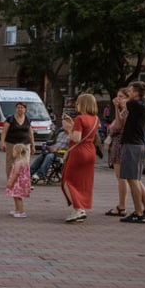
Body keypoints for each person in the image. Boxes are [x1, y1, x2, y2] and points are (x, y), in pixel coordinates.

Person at [119, 81, 145, 223]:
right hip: (139, 144)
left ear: (135, 92)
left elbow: (123, 102)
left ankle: (138, 213)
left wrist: (121, 99)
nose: (128, 92)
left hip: (132, 145)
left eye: (130, 90)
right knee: (137, 180)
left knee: (132, 180)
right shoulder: (143, 105)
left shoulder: (135, 104)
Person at [60, 93, 99, 223]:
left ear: (83, 104)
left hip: (78, 153)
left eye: (77, 102)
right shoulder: (95, 119)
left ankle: (78, 209)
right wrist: (72, 125)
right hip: (90, 151)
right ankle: (81, 207)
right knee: (83, 182)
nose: (76, 105)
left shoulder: (80, 118)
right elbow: (85, 134)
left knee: (68, 181)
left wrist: (67, 129)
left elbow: (76, 138)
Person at [104, 88, 129, 216]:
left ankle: (122, 206)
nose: (118, 99)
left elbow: (118, 126)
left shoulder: (125, 112)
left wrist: (116, 108)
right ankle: (121, 205)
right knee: (120, 178)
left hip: (120, 146)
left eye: (121, 97)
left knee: (121, 178)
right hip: (116, 145)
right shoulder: (123, 111)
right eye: (117, 96)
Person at [0, 102, 36, 178]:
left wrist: (33, 145)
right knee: (11, 162)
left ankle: (24, 182)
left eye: (22, 108)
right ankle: (11, 181)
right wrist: (2, 142)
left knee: (25, 162)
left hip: (25, 144)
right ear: (16, 109)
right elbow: (4, 131)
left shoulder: (27, 119)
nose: (20, 109)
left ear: (25, 109)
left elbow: (30, 132)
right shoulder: (10, 119)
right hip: (12, 143)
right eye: (18, 107)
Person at [6, 143, 32, 218]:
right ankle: (17, 209)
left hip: (18, 182)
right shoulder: (25, 161)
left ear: (17, 152)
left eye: (13, 151)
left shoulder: (18, 163)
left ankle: (21, 211)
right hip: (23, 182)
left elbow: (16, 173)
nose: (12, 153)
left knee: (18, 197)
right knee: (16, 196)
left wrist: (10, 182)